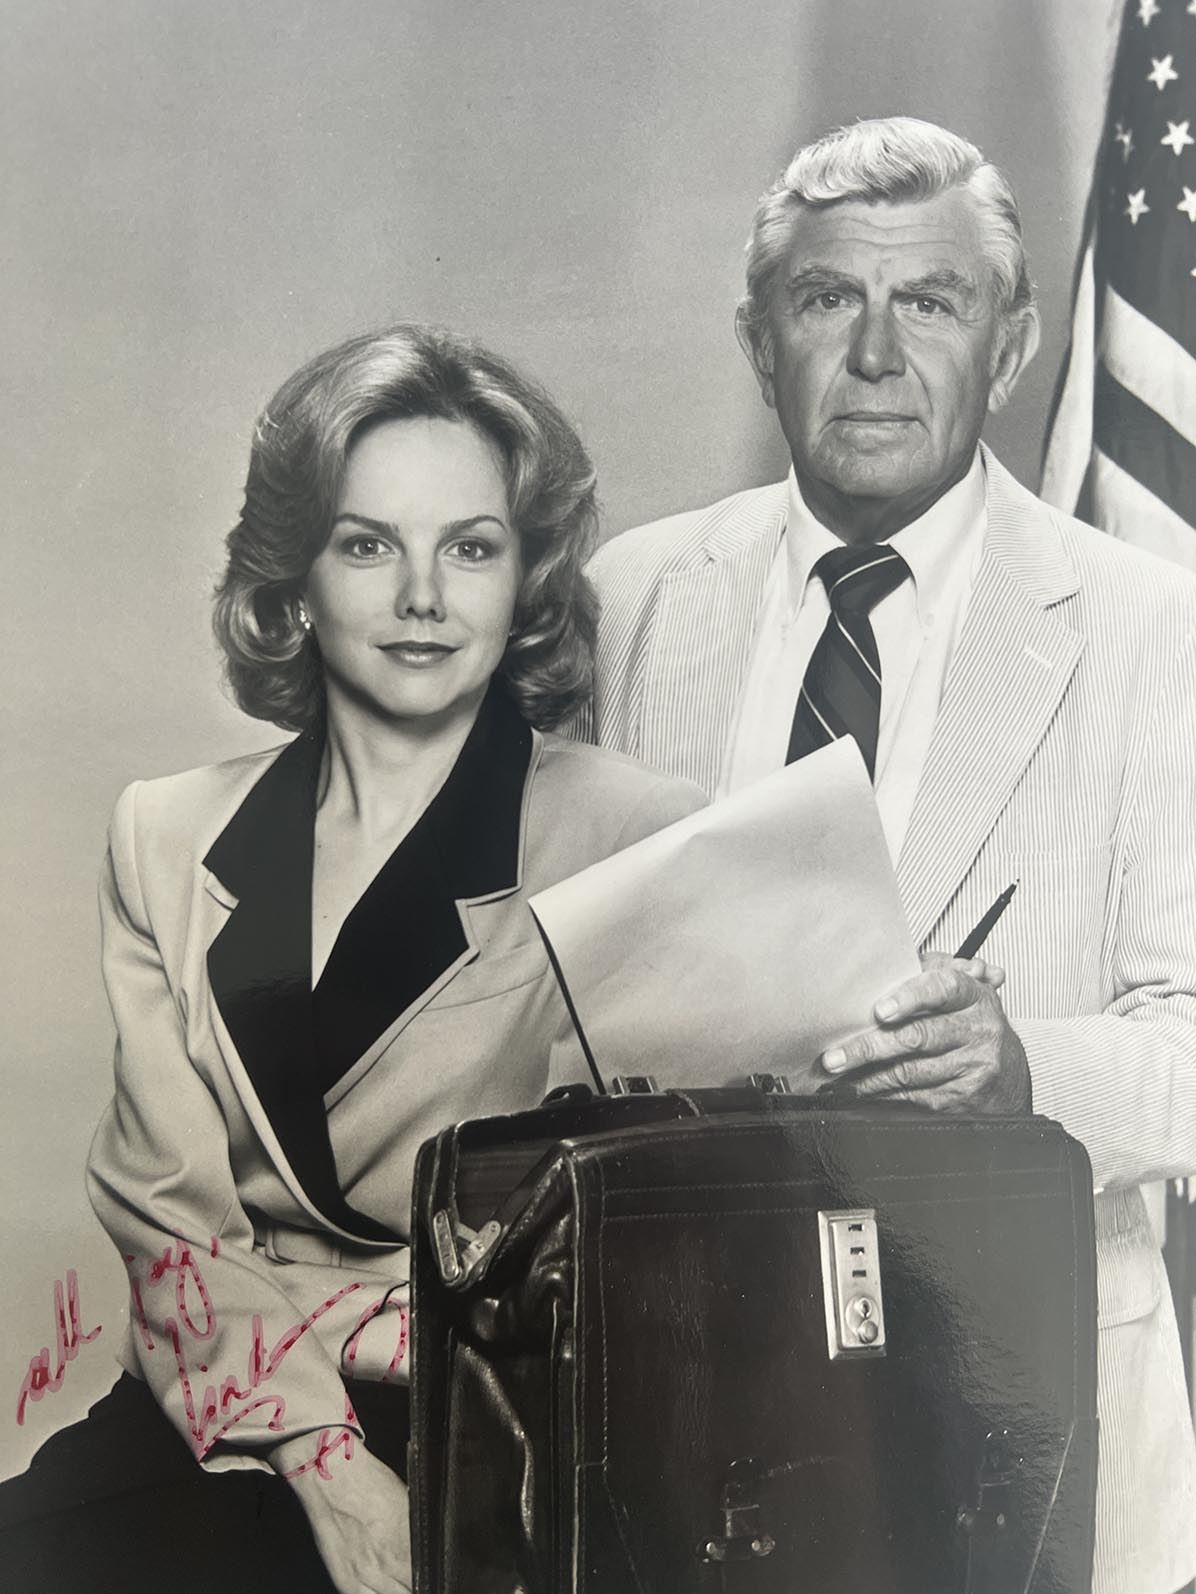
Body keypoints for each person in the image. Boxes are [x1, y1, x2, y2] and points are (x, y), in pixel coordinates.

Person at [576, 117, 1196, 1594]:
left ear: (1013, 342)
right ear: (757, 340)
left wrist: (1025, 1069)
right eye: (825, 299)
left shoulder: (1154, 627)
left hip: (1028, 1422)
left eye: (929, 301)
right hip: (692, 1416)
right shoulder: (632, 597)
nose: (873, 354)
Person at [0, 324, 702, 1594]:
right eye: (368, 544)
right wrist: (327, 1466)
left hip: (493, 1420)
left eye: (470, 547)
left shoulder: (635, 835)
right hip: (230, 1396)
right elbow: (170, 1225)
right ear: (295, 579)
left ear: (525, 578)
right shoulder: (165, 831)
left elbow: (648, 1234)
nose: (422, 596)